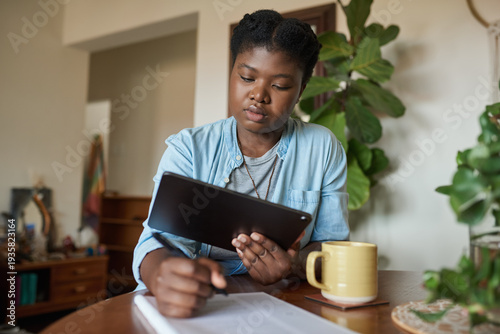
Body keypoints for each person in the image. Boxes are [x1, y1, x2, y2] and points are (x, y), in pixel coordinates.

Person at [132, 9, 349, 318]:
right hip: (199, 305)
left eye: (280, 86)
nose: (258, 95)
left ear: (300, 92)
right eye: (247, 77)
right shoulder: (189, 148)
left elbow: (333, 248)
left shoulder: (323, 148)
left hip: (280, 306)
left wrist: (294, 265)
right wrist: (162, 273)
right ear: (231, 74)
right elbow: (155, 241)